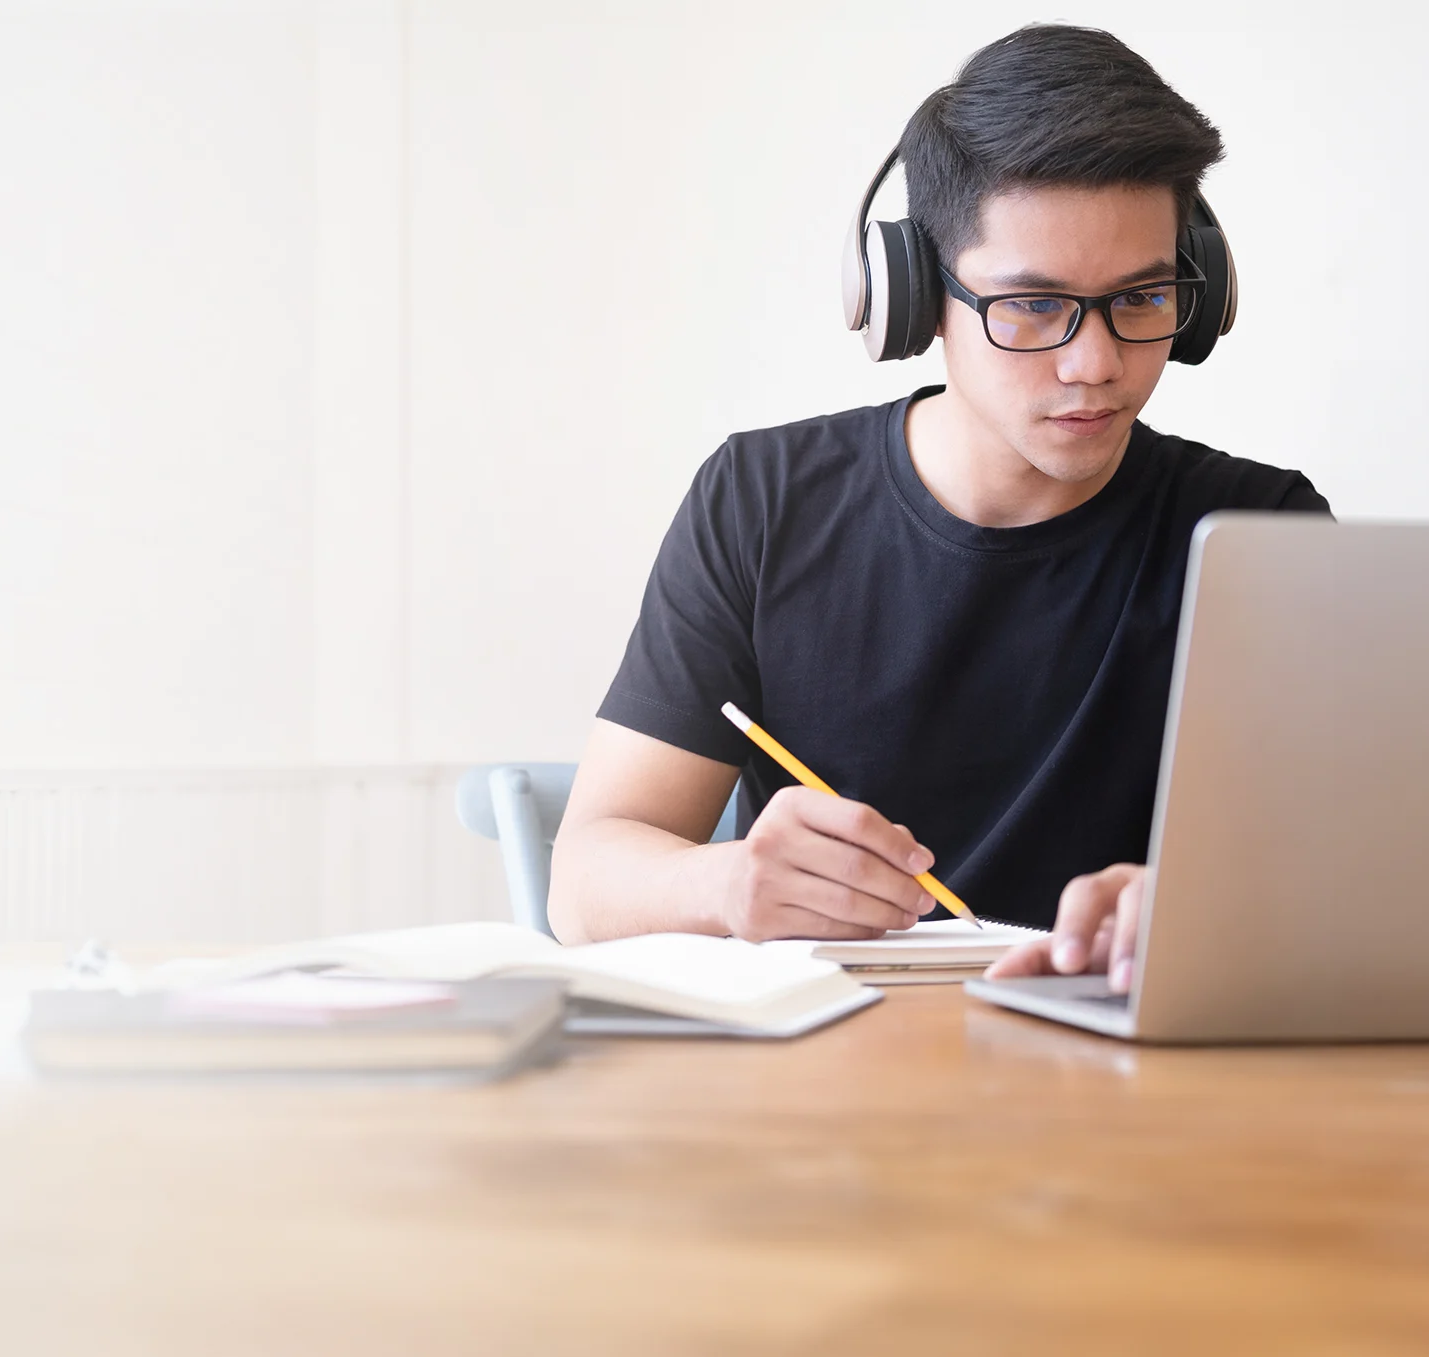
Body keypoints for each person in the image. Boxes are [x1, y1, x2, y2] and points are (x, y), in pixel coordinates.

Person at [545, 24, 1329, 989]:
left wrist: (1213, 905)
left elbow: (1341, 874)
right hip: (829, 1079)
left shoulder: (1261, 534)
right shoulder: (761, 500)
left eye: (1144, 297)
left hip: (1133, 1091)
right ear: (916, 298)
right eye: (1034, 306)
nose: (1096, 363)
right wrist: (728, 883)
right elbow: (583, 883)